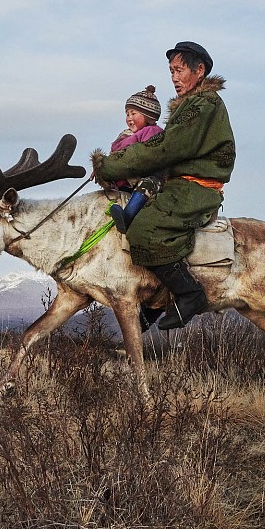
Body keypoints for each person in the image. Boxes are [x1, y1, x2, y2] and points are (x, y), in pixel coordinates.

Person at [94, 41, 234, 330]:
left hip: (195, 188)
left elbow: (165, 149)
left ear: (199, 70)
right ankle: (156, 303)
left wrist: (112, 165)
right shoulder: (191, 106)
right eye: (171, 71)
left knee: (144, 231)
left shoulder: (204, 104)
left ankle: (189, 294)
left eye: (179, 70)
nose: (174, 77)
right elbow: (161, 145)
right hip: (180, 184)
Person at [107, 85, 164, 234]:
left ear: (149, 116)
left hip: (150, 178)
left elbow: (147, 156)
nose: (129, 118)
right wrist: (102, 168)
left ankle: (127, 216)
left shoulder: (153, 132)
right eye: (127, 114)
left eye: (133, 113)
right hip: (127, 179)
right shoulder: (125, 135)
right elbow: (114, 155)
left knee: (147, 184)